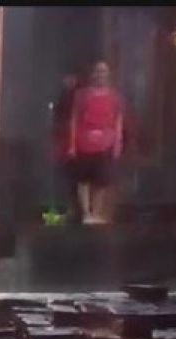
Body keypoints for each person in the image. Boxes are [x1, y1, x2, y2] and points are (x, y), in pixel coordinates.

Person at [68, 60, 125, 224]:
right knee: (83, 180)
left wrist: (117, 143)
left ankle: (96, 213)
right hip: (84, 143)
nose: (101, 74)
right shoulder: (82, 95)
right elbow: (74, 119)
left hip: (105, 144)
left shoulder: (115, 97)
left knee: (101, 181)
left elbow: (118, 121)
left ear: (108, 75)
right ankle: (86, 213)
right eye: (98, 71)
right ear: (93, 74)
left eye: (104, 71)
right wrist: (72, 145)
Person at [51, 73, 82, 222]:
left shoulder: (79, 97)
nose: (69, 81)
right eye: (67, 79)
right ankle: (68, 210)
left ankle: (75, 211)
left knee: (73, 180)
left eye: (72, 78)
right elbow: (57, 121)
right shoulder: (64, 98)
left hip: (76, 146)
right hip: (64, 145)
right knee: (66, 179)